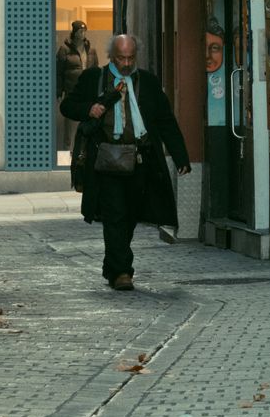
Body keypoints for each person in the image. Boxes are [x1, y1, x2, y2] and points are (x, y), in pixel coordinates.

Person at [60, 33, 191, 291]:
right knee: (114, 214)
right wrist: (89, 108)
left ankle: (112, 265)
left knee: (131, 214)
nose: (127, 63)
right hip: (106, 160)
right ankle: (122, 272)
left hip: (141, 159)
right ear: (112, 56)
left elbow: (165, 120)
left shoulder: (148, 83)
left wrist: (180, 156)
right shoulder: (93, 79)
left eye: (131, 58)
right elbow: (68, 107)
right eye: (121, 58)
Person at [56, 20, 99, 101]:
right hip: (72, 89)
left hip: (87, 89)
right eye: (80, 31)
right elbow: (58, 72)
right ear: (74, 33)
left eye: (84, 31)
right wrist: (58, 92)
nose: (83, 34)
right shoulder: (64, 49)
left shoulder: (91, 50)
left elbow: (96, 70)